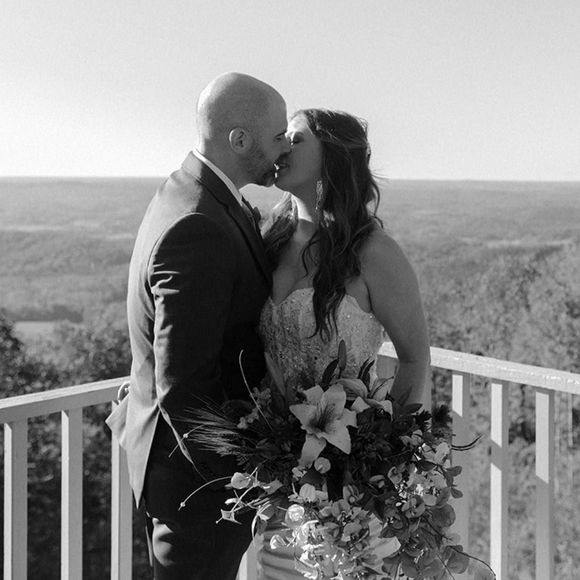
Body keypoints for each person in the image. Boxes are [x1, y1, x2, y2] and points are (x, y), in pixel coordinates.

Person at [107, 72, 290, 579]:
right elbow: (184, 386)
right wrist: (244, 478)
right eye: (278, 136)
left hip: (186, 472)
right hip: (197, 486)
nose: (285, 148)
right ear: (240, 139)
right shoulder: (199, 222)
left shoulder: (190, 191)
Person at [257, 108, 431, 578]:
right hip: (277, 480)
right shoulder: (267, 240)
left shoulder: (374, 252)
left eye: (295, 139)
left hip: (349, 485)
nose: (280, 148)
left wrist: (382, 456)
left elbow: (415, 358)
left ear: (333, 157)